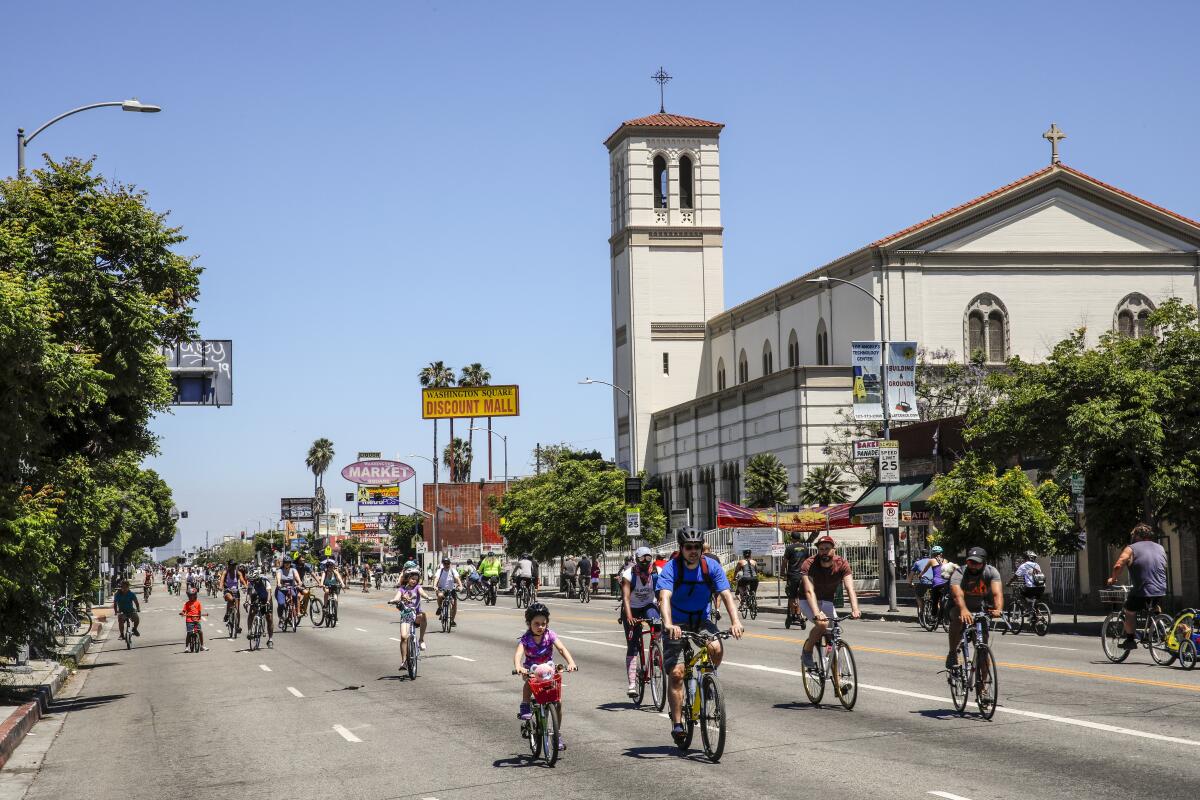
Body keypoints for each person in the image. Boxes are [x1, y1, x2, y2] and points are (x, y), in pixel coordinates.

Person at [657, 529, 744, 746]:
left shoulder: (710, 567)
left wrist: (735, 622)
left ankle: (708, 680)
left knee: (716, 648)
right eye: (689, 547)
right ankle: (677, 723)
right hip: (676, 622)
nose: (693, 551)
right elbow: (664, 597)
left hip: (700, 620)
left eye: (697, 547)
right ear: (681, 549)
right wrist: (668, 624)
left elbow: (725, 595)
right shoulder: (672, 568)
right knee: (677, 673)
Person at [514, 602, 577, 750]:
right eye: (536, 623)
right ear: (529, 624)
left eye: (543, 623)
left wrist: (571, 662)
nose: (540, 626)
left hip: (548, 669)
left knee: (558, 702)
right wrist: (518, 667)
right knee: (529, 682)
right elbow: (518, 653)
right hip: (532, 669)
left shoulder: (550, 635)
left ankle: (557, 734)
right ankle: (525, 705)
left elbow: (561, 649)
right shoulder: (526, 638)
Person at [799, 536, 862, 670]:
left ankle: (837, 680)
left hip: (827, 600)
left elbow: (850, 587)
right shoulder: (809, 564)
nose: (824, 552)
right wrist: (817, 614)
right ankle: (807, 651)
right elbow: (809, 592)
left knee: (834, 635)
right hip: (807, 600)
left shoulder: (842, 564)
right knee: (822, 624)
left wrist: (855, 609)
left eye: (827, 549)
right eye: (821, 549)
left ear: (834, 550)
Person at [1107, 523, 1168, 651]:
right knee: (1152, 604)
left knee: (1129, 610)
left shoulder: (1131, 548)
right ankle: (1158, 626)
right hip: (1161, 588)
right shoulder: (1160, 548)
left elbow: (1118, 565)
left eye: (1133, 535)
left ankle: (1130, 640)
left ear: (1136, 536)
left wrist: (1113, 578)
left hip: (1142, 589)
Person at [946, 547, 1003, 668]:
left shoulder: (991, 572)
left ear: (984, 563)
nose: (973, 566)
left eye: (977, 563)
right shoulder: (960, 572)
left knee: (983, 650)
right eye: (970, 562)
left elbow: (997, 593)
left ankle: (982, 685)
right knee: (958, 617)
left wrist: (998, 609)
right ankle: (952, 653)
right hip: (958, 605)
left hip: (979, 608)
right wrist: (963, 609)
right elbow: (957, 594)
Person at [620, 546, 659, 697]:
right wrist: (629, 616)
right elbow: (626, 598)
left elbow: (661, 594)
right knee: (633, 645)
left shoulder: (656, 573)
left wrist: (663, 607)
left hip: (648, 605)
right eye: (642, 558)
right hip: (632, 608)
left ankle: (656, 651)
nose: (645, 561)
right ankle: (631, 684)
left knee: (657, 623)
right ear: (636, 559)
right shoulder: (629, 574)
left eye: (648, 558)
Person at [391, 569, 432, 663]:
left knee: (423, 615)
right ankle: (404, 661)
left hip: (416, 615)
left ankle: (421, 640)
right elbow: (397, 597)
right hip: (406, 615)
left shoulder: (417, 587)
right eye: (412, 579)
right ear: (407, 578)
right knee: (403, 637)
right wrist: (394, 600)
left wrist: (427, 597)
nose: (414, 581)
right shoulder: (402, 589)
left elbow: (422, 593)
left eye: (416, 579)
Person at [917, 546, 950, 622]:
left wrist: (920, 575)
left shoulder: (931, 561)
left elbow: (924, 570)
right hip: (946, 583)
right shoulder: (946, 561)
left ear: (933, 554)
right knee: (946, 599)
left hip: (937, 583)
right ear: (941, 553)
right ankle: (945, 616)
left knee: (935, 600)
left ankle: (934, 616)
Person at [217, 559, 247, 635]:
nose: (233, 567)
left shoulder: (238, 572)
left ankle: (237, 626)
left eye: (234, 565)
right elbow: (221, 580)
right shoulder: (225, 572)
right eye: (231, 565)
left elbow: (242, 580)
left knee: (237, 609)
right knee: (230, 599)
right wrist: (220, 586)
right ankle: (227, 613)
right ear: (229, 565)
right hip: (227, 590)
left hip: (236, 591)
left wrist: (245, 585)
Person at [246, 566, 274, 647]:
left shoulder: (265, 580)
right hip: (257, 596)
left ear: (257, 577)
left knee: (269, 617)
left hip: (266, 597)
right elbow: (249, 593)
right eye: (251, 580)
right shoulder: (251, 581)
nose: (252, 581)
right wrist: (247, 601)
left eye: (254, 580)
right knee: (251, 613)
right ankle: (249, 631)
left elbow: (269, 592)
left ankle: (270, 639)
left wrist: (268, 602)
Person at [434, 557, 462, 626]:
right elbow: (436, 578)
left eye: (448, 563)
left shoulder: (453, 570)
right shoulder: (440, 571)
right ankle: (440, 608)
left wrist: (460, 586)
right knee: (440, 596)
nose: (446, 565)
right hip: (441, 589)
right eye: (445, 563)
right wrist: (435, 585)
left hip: (451, 589)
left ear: (450, 564)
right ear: (443, 564)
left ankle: (452, 620)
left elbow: (457, 578)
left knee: (454, 604)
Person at [275, 557, 302, 622]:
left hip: (291, 588)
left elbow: (296, 576)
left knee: (295, 596)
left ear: (290, 563)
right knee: (281, 604)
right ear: (283, 563)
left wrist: (299, 582)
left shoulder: (293, 570)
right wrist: (278, 583)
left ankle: (296, 611)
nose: (287, 564)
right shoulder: (280, 570)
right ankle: (280, 617)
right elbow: (278, 577)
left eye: (288, 563)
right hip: (281, 589)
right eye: (286, 563)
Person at [179, 585, 206, 651]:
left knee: (200, 632)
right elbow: (184, 610)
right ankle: (186, 647)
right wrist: (182, 613)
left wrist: (199, 618)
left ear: (195, 595)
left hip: (196, 619)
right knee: (189, 633)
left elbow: (199, 612)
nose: (191, 597)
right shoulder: (187, 604)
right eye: (190, 595)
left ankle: (202, 646)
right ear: (188, 596)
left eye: (193, 595)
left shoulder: (198, 603)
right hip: (189, 619)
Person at [909, 550, 933, 617]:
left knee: (917, 594)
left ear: (921, 555)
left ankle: (921, 610)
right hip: (935, 583)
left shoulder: (917, 563)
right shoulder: (934, 562)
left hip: (924, 583)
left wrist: (910, 583)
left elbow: (911, 575)